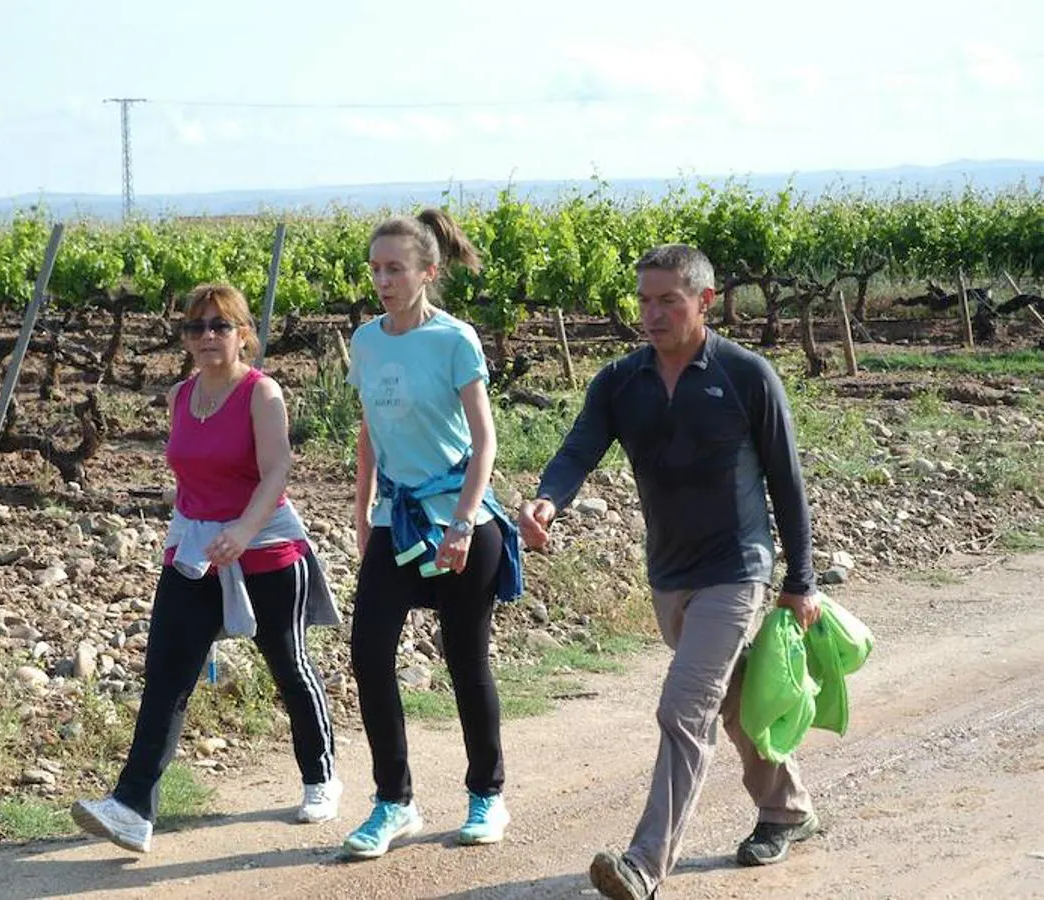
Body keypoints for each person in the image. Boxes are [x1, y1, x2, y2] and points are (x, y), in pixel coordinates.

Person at [518, 244, 821, 899]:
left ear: (704, 302)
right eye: (644, 300)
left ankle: (644, 863)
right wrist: (548, 498)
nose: (651, 314)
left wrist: (801, 579)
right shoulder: (620, 382)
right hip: (669, 574)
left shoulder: (745, 376)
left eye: (667, 301)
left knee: (684, 707)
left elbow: (786, 483)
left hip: (737, 568)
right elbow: (577, 450)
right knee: (736, 702)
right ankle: (786, 809)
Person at [72, 283, 342, 853]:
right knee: (166, 674)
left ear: (244, 333)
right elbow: (191, 477)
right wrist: (192, 534)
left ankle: (320, 775)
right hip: (195, 552)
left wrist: (241, 531)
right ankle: (132, 808)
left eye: (220, 325)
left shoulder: (262, 394)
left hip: (267, 549)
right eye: (196, 327)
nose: (207, 337)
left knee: (289, 664)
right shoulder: (181, 396)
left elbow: (276, 473)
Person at [340, 209, 524, 860]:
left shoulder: (454, 341)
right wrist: (361, 514)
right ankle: (394, 803)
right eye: (376, 268)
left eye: (395, 268)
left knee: (464, 660)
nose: (383, 280)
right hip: (396, 521)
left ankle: (486, 795)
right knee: (367, 655)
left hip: (458, 519)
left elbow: (484, 441)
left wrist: (463, 522)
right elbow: (368, 434)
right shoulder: (365, 341)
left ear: (427, 272)